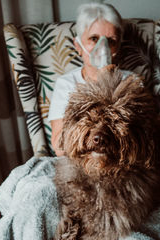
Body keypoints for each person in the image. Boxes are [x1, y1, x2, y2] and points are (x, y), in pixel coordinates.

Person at [48, 2, 132, 156]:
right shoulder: (66, 84)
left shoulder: (131, 82)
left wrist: (107, 81)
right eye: (94, 38)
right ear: (78, 46)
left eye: (111, 41)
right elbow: (59, 147)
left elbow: (138, 139)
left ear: (118, 47)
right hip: (77, 163)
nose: (103, 46)